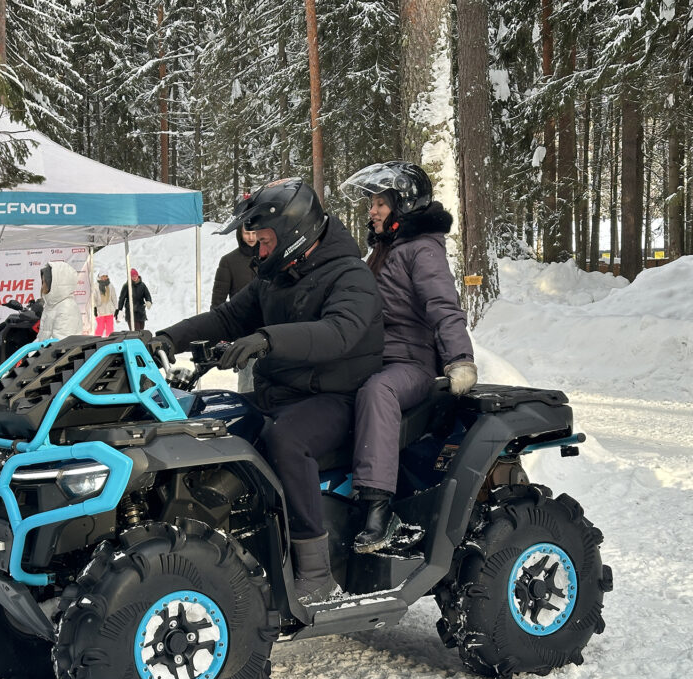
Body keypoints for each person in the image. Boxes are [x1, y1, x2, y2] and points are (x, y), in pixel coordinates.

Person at [151, 178, 384, 605]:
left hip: (337, 399)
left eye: (265, 240)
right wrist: (165, 337)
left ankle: (316, 574)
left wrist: (267, 339)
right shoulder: (274, 279)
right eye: (256, 240)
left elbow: (339, 332)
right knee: (211, 424)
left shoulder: (351, 275)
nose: (258, 250)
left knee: (286, 441)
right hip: (282, 394)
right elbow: (223, 318)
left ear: (295, 232)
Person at [340, 161, 477, 553]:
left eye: (381, 203)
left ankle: (378, 510)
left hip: (411, 364)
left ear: (405, 204)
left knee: (377, 392)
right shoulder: (384, 251)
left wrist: (460, 359)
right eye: (372, 204)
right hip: (377, 357)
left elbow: (443, 305)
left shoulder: (421, 250)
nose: (373, 211)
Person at [211, 224, 260, 392]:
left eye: (255, 233)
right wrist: (217, 334)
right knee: (247, 382)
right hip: (244, 330)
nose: (252, 237)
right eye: (248, 233)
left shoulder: (271, 257)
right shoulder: (229, 261)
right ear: (240, 233)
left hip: (272, 329)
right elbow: (218, 301)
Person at [36, 260, 83, 340]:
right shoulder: (52, 305)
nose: (42, 286)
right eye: (43, 282)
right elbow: (42, 337)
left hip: (53, 352)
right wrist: (31, 351)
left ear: (54, 284)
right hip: (44, 350)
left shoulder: (67, 308)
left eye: (45, 282)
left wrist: (36, 351)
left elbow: (60, 343)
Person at [93, 272, 117, 337]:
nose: (104, 277)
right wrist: (94, 308)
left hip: (109, 310)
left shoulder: (110, 285)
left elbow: (114, 297)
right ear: (100, 277)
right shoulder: (95, 286)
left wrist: (116, 308)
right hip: (100, 310)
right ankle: (96, 340)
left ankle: (110, 341)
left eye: (106, 276)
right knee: (100, 327)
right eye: (103, 276)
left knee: (110, 328)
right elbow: (93, 298)